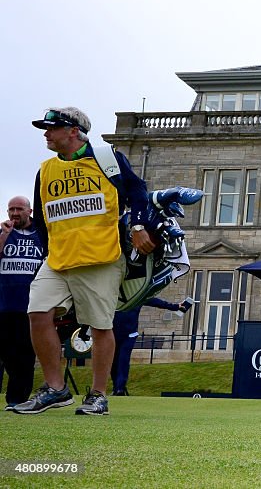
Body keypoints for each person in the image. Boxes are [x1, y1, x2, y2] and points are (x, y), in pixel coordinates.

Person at [14, 107, 156, 416]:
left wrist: (139, 225)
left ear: (74, 131)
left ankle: (98, 395)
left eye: (52, 128)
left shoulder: (107, 158)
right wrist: (48, 250)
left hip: (101, 256)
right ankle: (55, 388)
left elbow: (138, 191)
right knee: (37, 313)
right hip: (59, 257)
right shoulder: (46, 170)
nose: (46, 133)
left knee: (100, 325)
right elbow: (41, 218)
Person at [0, 196, 43, 410]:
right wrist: (4, 235)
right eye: (11, 209)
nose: (14, 213)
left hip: (30, 306)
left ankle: (17, 399)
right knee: (5, 353)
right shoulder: (3, 234)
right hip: (4, 304)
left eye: (19, 209)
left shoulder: (41, 235)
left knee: (25, 356)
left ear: (30, 211)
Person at [111, 297, 187, 396]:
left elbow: (155, 301)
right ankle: (116, 386)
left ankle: (120, 388)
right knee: (113, 361)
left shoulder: (138, 296)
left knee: (123, 359)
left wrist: (175, 306)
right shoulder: (114, 294)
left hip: (129, 334)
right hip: (112, 333)